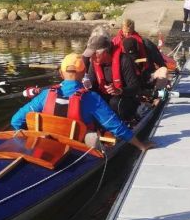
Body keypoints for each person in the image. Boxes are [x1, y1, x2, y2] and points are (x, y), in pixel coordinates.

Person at [10, 53, 155, 152]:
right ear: (83, 74)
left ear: (61, 73)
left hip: (48, 147)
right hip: (79, 149)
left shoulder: (45, 95)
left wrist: (27, 142)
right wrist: (140, 145)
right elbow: (116, 126)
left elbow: (16, 120)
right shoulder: (91, 98)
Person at [89, 36, 142, 121]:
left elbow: (135, 87)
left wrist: (119, 90)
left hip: (125, 97)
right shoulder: (94, 62)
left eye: (94, 54)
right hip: (105, 96)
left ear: (105, 52)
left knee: (114, 102)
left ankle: (122, 126)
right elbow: (92, 86)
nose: (91, 58)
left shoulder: (124, 60)